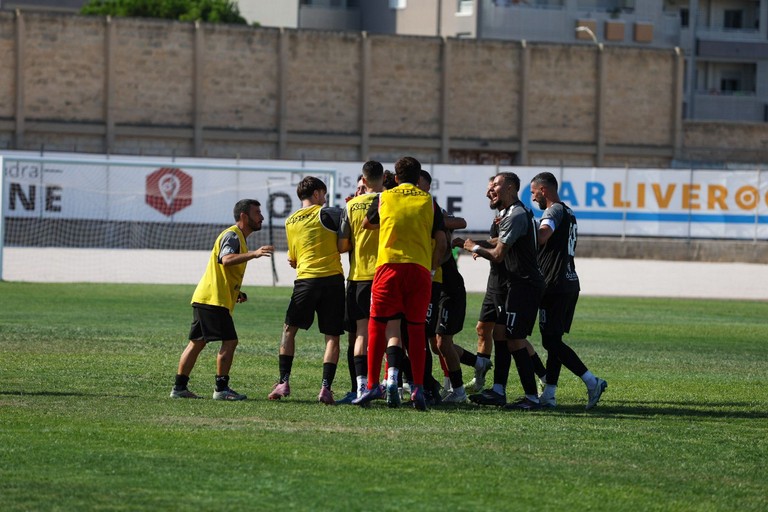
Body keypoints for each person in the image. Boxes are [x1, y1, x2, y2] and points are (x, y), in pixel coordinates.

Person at [353, 156, 446, 410]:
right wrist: (432, 268)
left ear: (395, 178)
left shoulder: (385, 197)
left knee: (377, 324)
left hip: (389, 266)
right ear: (418, 179)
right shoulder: (429, 201)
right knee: (416, 329)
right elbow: (442, 239)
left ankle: (373, 385)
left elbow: (367, 224)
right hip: (419, 269)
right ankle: (418, 389)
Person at [170, 199, 274, 400]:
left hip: (207, 297)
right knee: (230, 341)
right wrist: (254, 254)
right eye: (257, 213)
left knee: (196, 343)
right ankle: (221, 389)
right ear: (244, 216)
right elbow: (226, 260)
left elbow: (224, 270)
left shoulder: (238, 237)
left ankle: (179, 388)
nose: (261, 217)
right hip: (213, 300)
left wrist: (236, 292)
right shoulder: (233, 235)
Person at [461, 172, 545, 410]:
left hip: (524, 285)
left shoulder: (517, 214)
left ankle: (532, 397)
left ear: (510, 187)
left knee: (515, 340)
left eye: (496, 185)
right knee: (499, 333)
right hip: (514, 285)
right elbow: (499, 242)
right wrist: (475, 244)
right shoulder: (508, 213)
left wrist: (474, 247)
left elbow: (499, 254)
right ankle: (498, 390)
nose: (491, 190)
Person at [530, 171, 607, 410]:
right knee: (553, 341)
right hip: (569, 281)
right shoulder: (569, 212)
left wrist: (523, 230)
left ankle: (592, 381)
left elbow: (543, 236)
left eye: (533, 192)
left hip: (554, 284)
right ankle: (549, 394)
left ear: (543, 190)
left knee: (551, 342)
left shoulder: (553, 211)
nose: (532, 198)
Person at [267, 176, 345, 405]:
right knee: (332, 337)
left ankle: (283, 382)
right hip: (332, 280)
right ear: (318, 193)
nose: (325, 199)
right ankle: (325, 388)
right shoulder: (328, 213)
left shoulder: (290, 221)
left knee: (289, 330)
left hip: (306, 281)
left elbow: (293, 259)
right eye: (324, 195)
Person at [336, 162, 385, 404]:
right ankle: (392, 383)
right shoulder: (389, 201)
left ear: (363, 181)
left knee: (358, 335)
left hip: (357, 278)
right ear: (383, 178)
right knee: (391, 332)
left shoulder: (351, 206)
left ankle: (359, 388)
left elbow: (342, 246)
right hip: (383, 275)